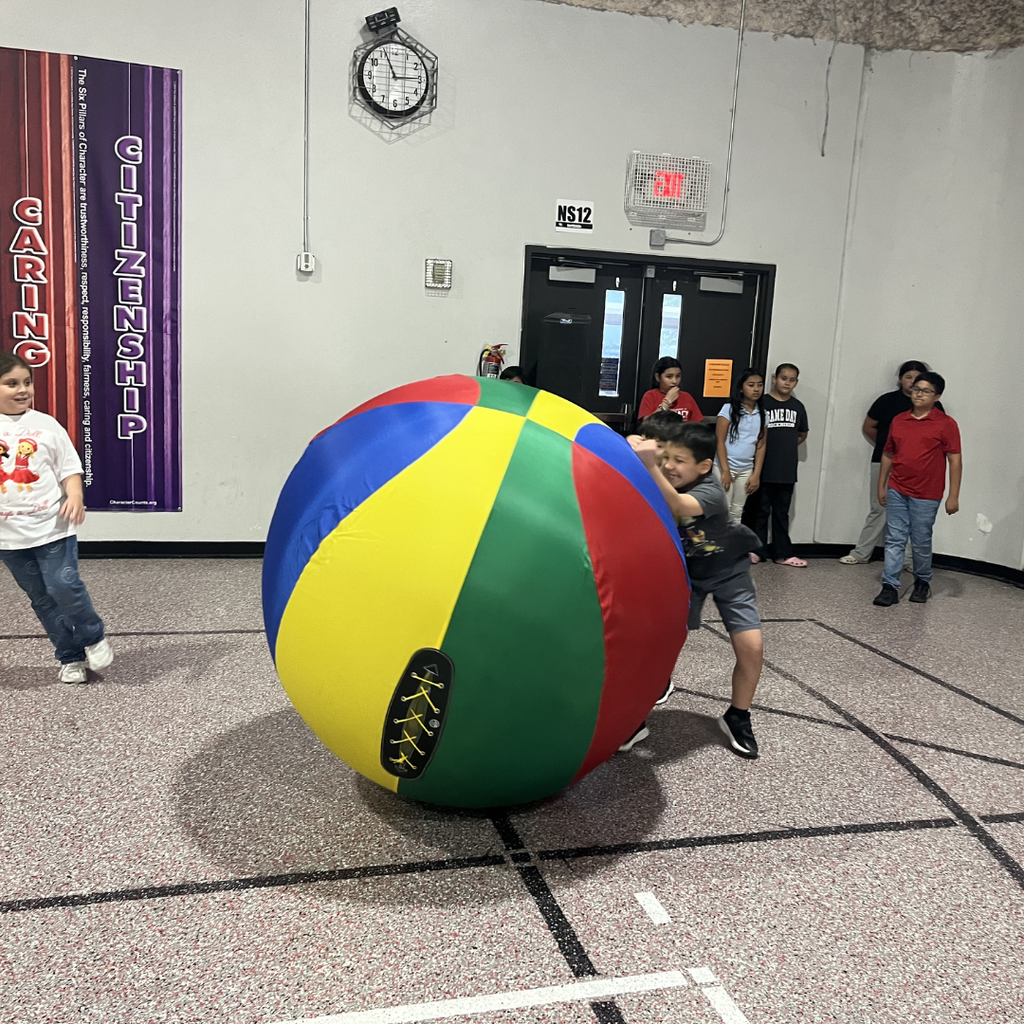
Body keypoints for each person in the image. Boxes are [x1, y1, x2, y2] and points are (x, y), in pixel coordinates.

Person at [624, 422, 763, 759]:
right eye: (666, 457)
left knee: (751, 646)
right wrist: (629, 444)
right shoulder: (664, 473)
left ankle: (738, 716)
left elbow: (679, 506)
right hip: (685, 575)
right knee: (663, 645)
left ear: (703, 466)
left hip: (729, 570)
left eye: (679, 460)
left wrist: (650, 464)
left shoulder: (710, 491)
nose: (670, 465)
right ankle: (637, 718)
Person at [0, 352, 113, 683]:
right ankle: (70, 655)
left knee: (64, 585)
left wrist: (75, 495)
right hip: (9, 537)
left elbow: (69, 468)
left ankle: (92, 635)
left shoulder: (46, 425)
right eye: (11, 384)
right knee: (42, 599)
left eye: (27, 382)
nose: (22, 390)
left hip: (52, 528)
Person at [873, 371, 961, 606]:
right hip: (897, 487)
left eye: (925, 391)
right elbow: (888, 453)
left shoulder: (946, 424)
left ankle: (922, 580)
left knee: (921, 539)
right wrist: (881, 485)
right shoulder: (899, 420)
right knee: (894, 538)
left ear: (937, 396)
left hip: (927, 493)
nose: (919, 394)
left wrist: (953, 495)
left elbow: (954, 459)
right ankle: (889, 585)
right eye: (916, 389)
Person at [840, 360, 935, 565]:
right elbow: (869, 427)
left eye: (917, 378)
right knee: (879, 508)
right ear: (900, 379)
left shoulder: (932, 407)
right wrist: (889, 449)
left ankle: (910, 561)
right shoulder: (886, 401)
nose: (912, 382)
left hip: (917, 469)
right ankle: (861, 553)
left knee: (914, 512)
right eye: (908, 377)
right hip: (883, 462)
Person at [754, 363, 808, 567]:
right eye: (784, 378)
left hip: (786, 470)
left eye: (792, 379)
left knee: (781, 513)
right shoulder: (763, 403)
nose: (787, 382)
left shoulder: (798, 406)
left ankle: (782, 553)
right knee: (759, 511)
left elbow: (802, 434)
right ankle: (757, 551)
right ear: (775, 378)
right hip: (763, 468)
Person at [715, 368, 765, 523]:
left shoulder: (763, 413)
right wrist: (725, 471)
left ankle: (733, 546)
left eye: (760, 385)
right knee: (723, 509)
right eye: (751, 385)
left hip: (746, 469)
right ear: (741, 388)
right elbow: (720, 441)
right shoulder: (729, 409)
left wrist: (756, 474)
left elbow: (761, 445)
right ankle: (718, 545)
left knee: (737, 511)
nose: (756, 389)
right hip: (725, 466)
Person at [636, 357, 702, 423]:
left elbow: (697, 425)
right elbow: (646, 424)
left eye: (678, 376)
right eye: (669, 377)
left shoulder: (687, 397)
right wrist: (667, 402)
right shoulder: (650, 395)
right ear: (658, 377)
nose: (674, 381)